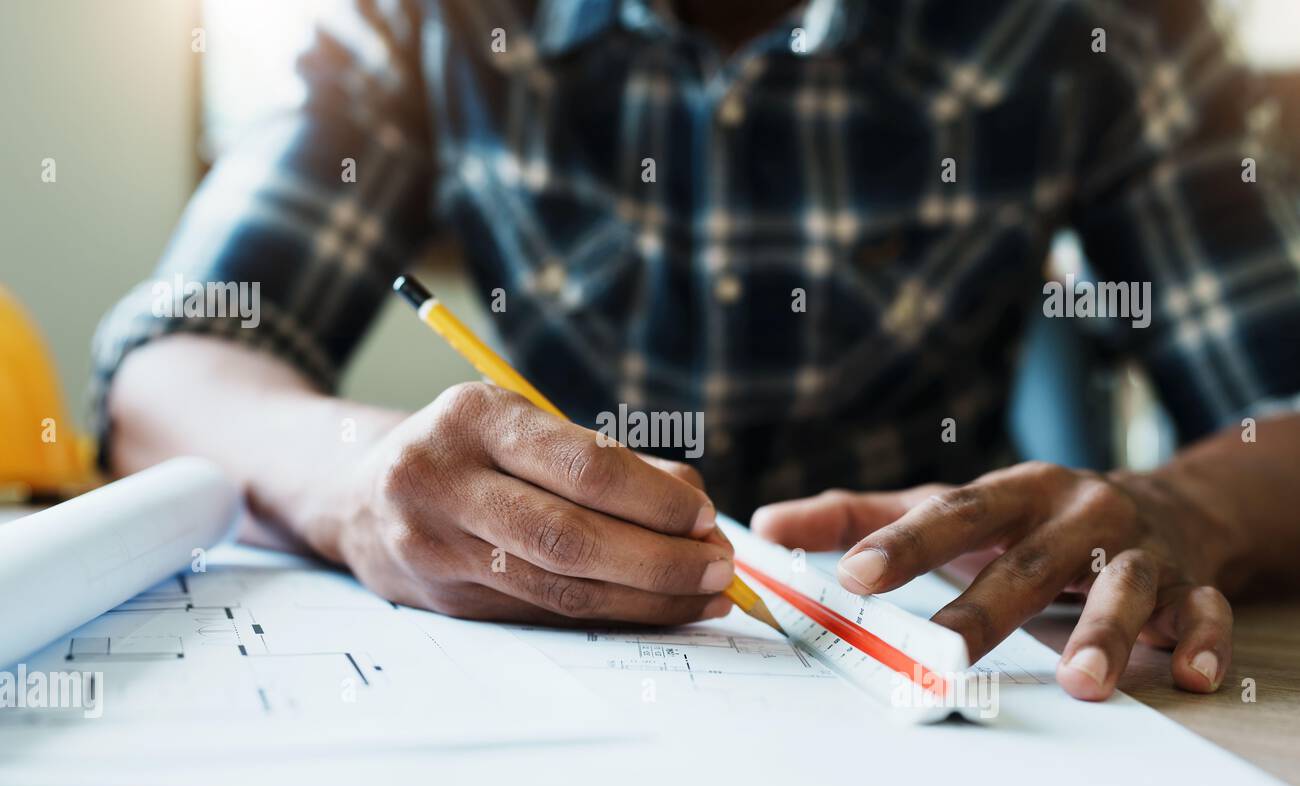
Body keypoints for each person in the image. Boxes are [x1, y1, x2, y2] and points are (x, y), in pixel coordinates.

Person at [94, 0, 1300, 701]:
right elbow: (174, 365)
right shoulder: (431, 19)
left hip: (957, 655)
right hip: (553, 698)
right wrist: (356, 481)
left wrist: (1178, 502)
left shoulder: (1094, 27)